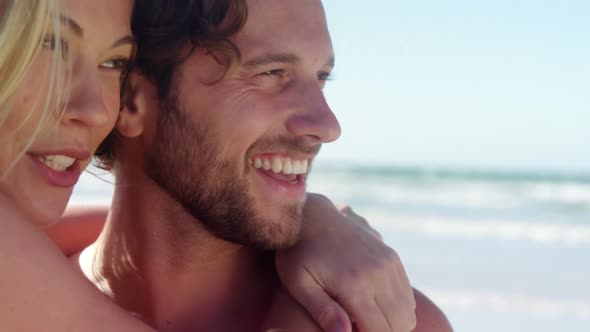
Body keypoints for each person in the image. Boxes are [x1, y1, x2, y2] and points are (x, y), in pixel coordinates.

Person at [0, 1, 418, 331]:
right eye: (271, 73)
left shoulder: (395, 317)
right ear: (132, 101)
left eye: (322, 78)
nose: (328, 126)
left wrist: (316, 219)